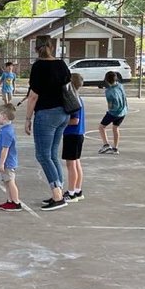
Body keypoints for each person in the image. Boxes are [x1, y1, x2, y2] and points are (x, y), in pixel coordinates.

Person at [21, 35, 71, 209]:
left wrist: (27, 119)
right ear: (52, 46)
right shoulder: (61, 64)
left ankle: (57, 195)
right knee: (51, 154)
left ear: (36, 48)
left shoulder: (38, 67)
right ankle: (59, 190)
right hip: (63, 113)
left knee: (43, 155)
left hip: (46, 114)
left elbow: (33, 96)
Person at [0, 104, 22, 211]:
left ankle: (16, 202)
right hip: (7, 162)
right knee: (6, 182)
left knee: (10, 182)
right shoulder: (6, 129)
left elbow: (5, 149)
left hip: (7, 163)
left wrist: (1, 163)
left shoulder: (7, 132)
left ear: (4, 116)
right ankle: (10, 200)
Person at [62, 74, 85, 202]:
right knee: (76, 163)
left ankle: (71, 193)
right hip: (78, 134)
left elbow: (74, 120)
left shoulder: (73, 99)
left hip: (72, 134)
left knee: (71, 165)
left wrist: (61, 123)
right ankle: (77, 190)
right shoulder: (79, 98)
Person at [97, 71, 128, 152]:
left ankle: (106, 144)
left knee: (101, 127)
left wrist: (110, 109)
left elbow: (110, 105)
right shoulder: (120, 86)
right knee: (115, 127)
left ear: (106, 80)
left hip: (114, 112)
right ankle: (115, 148)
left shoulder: (109, 91)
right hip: (123, 111)